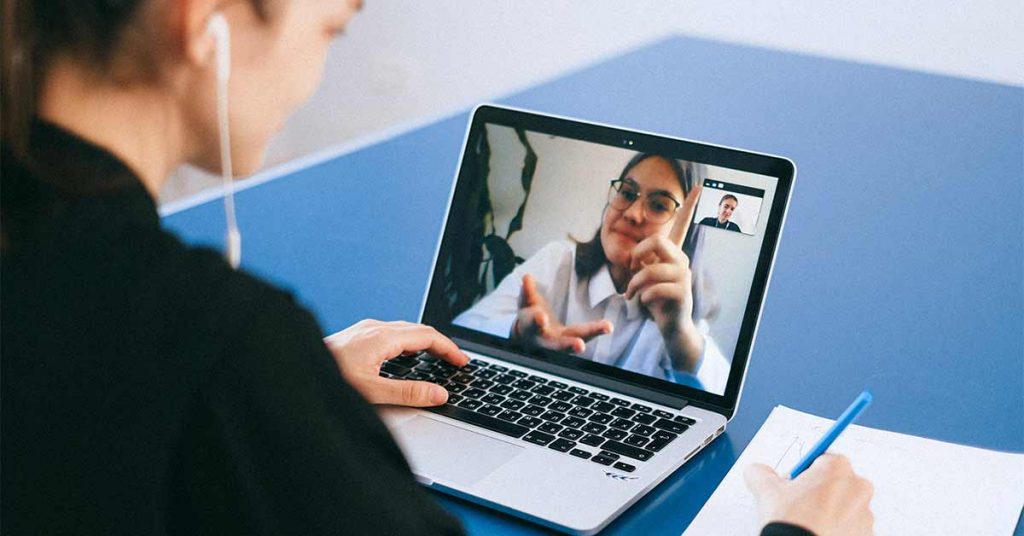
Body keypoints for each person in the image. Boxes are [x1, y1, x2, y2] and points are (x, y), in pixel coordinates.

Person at [0, 1, 872, 535]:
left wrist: (299, 384)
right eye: (330, 28)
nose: (314, 73)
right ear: (205, 22)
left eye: (659, 204)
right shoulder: (224, 350)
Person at [455, 153, 733, 391]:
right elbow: (463, 328)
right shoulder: (558, 260)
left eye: (659, 205)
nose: (633, 213)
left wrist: (678, 332)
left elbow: (719, 400)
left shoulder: (679, 312)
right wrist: (517, 331)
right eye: (626, 193)